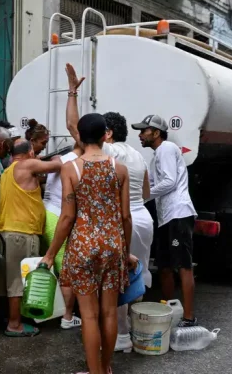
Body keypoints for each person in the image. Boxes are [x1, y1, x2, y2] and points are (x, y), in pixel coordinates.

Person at [64, 64, 154, 349]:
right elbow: (147, 192)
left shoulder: (110, 152)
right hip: (144, 218)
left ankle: (122, 338)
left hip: (119, 224)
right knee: (136, 277)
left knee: (115, 287)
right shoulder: (138, 156)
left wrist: (72, 93)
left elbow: (73, 128)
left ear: (108, 133)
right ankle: (136, 332)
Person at [41, 113, 136, 374]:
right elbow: (126, 217)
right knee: (109, 312)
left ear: (80, 137)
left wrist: (50, 254)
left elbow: (67, 217)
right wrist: (126, 252)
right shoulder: (120, 169)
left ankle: (95, 372)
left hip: (82, 246)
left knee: (89, 315)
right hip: (112, 246)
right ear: (106, 135)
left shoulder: (70, 168)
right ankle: (106, 368)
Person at [132, 114, 199, 327]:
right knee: (164, 266)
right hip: (166, 217)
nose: (140, 135)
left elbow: (169, 182)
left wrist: (146, 195)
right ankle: (167, 312)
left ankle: (189, 317)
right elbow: (150, 185)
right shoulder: (156, 156)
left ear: (156, 133)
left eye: (143, 131)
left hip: (178, 214)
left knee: (183, 265)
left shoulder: (167, 149)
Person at [0, 138, 62, 337]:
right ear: (31, 152)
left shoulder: (7, 171)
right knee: (18, 281)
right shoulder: (27, 165)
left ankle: (11, 317)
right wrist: (56, 157)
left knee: (9, 280)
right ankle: (14, 324)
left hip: (6, 232)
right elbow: (58, 165)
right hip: (22, 233)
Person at [41, 142, 83, 331]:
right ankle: (67, 316)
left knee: (52, 267)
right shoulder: (76, 163)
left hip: (47, 213)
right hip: (59, 217)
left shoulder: (60, 160)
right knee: (66, 269)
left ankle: (49, 310)